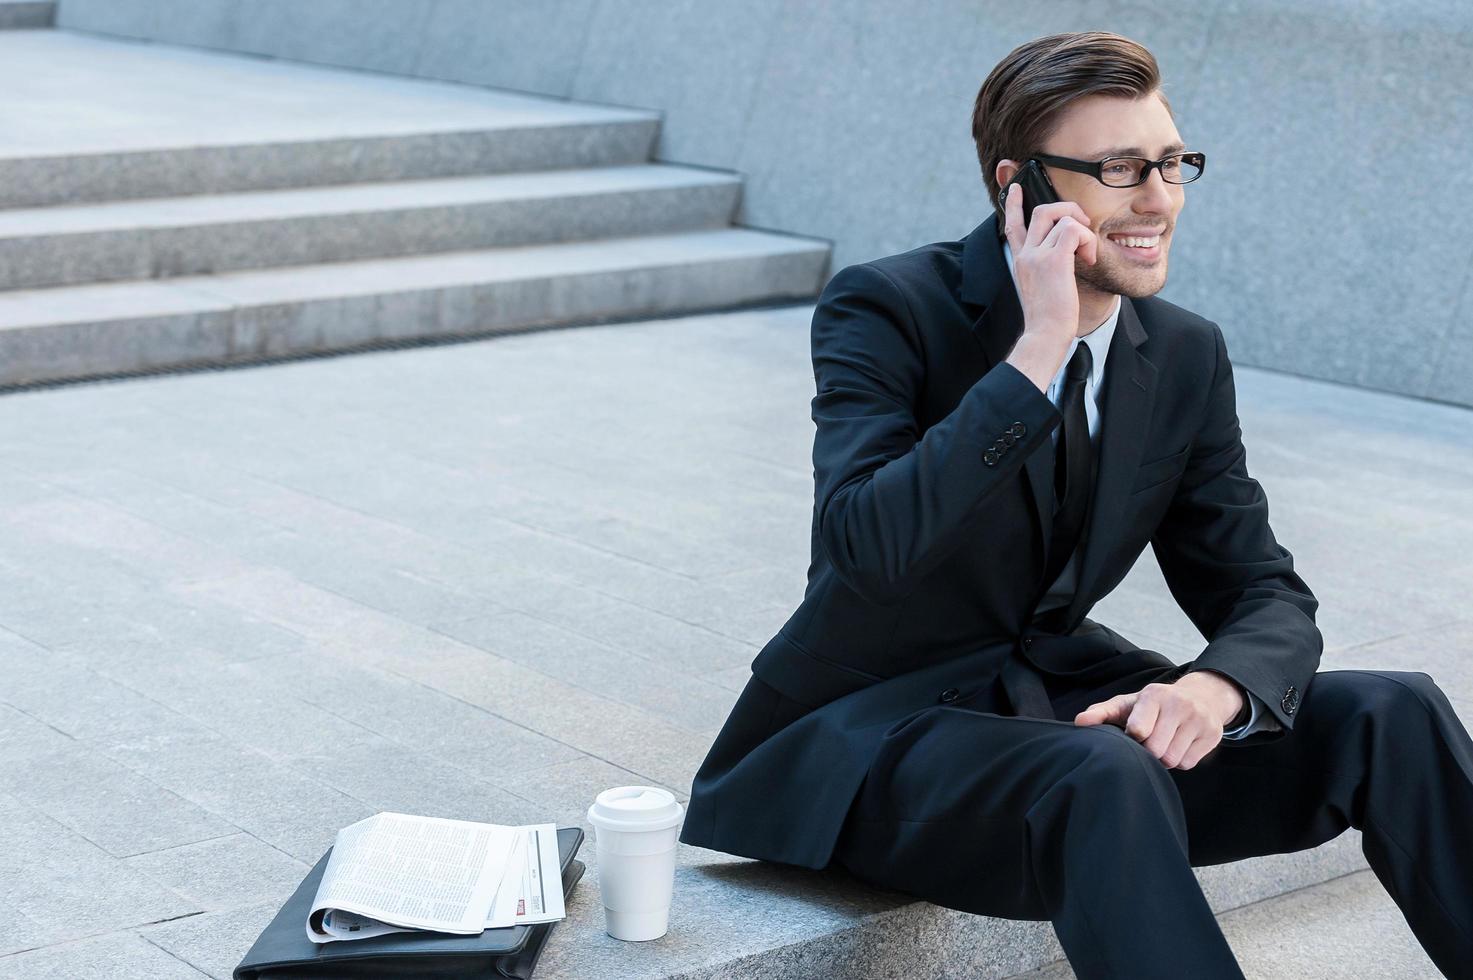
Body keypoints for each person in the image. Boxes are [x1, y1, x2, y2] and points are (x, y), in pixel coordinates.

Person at [678, 30, 1473, 980]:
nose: (1158, 200)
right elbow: (864, 546)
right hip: (876, 741)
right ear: (1023, 188)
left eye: (1171, 163)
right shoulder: (887, 307)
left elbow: (1260, 588)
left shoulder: (1179, 352)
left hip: (1059, 718)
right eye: (1119, 168)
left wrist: (1212, 690)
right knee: (1105, 770)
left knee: (1392, 711)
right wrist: (1038, 349)